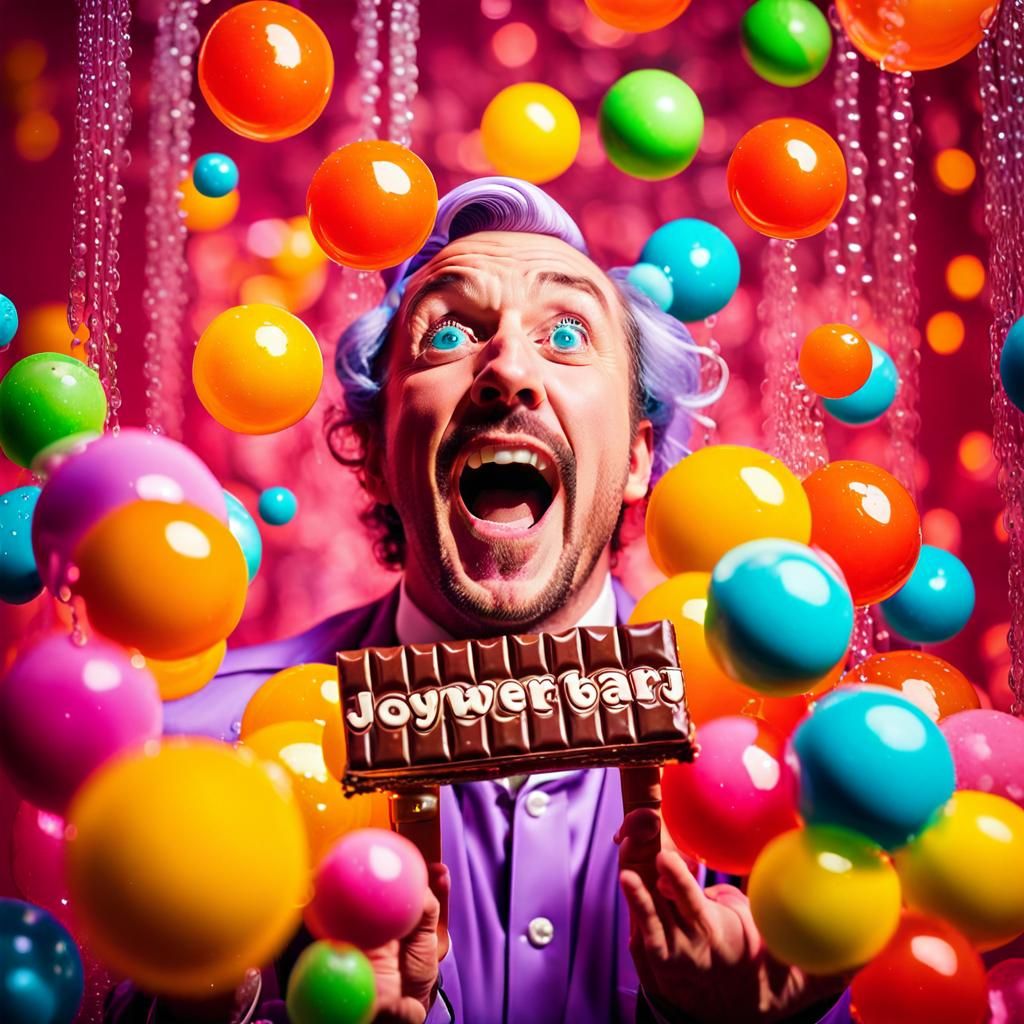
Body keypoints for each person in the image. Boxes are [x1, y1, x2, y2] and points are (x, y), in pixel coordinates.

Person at [107, 178, 850, 1023]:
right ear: (380, 451)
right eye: (450, 334)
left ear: (640, 456)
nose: (508, 370)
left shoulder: (792, 779)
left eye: (567, 336)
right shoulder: (207, 749)